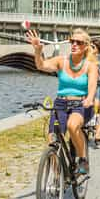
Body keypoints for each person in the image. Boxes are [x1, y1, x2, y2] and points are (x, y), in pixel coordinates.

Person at [26, 28, 96, 176]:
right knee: (52, 139)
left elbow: (92, 89)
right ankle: (58, 178)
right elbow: (41, 66)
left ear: (86, 46)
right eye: (72, 41)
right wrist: (38, 51)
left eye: (79, 42)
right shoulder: (61, 61)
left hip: (81, 104)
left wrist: (89, 99)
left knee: (72, 125)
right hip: (60, 104)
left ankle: (82, 159)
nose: (74, 44)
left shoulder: (90, 66)